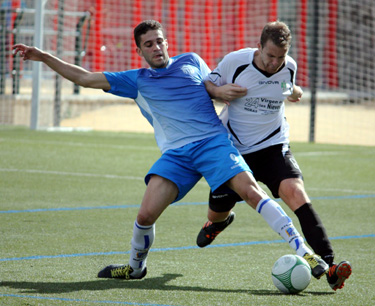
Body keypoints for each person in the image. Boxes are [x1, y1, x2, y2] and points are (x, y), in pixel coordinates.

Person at [14, 19, 325, 281]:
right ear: (140, 51)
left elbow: (210, 85)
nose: (157, 47)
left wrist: (221, 91)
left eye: (159, 41)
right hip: (177, 154)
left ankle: (306, 254)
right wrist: (43, 57)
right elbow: (84, 77)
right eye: (149, 44)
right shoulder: (136, 80)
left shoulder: (190, 61)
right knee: (145, 214)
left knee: (252, 192)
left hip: (213, 143)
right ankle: (135, 268)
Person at [197, 20, 352, 291]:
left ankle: (329, 266)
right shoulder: (237, 62)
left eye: (280, 57)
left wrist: (295, 92)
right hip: (235, 150)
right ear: (259, 48)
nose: (275, 63)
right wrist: (220, 91)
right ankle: (218, 223)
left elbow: (286, 88)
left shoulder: (287, 66)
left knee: (296, 192)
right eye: (270, 56)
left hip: (273, 146)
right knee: (217, 211)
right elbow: (207, 84)